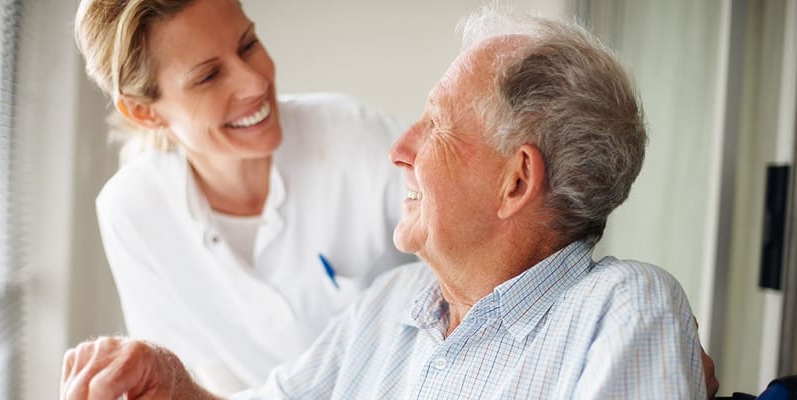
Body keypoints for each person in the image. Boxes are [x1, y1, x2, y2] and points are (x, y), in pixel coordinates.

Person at [62, 6, 721, 400]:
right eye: (208, 73)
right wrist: (173, 383)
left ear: (516, 181)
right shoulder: (392, 306)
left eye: (434, 125)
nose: (399, 147)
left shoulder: (622, 309)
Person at [74, 0, 414, 394]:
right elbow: (187, 388)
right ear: (143, 112)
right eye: (209, 76)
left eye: (248, 44)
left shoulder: (355, 136)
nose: (255, 82)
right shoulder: (132, 211)